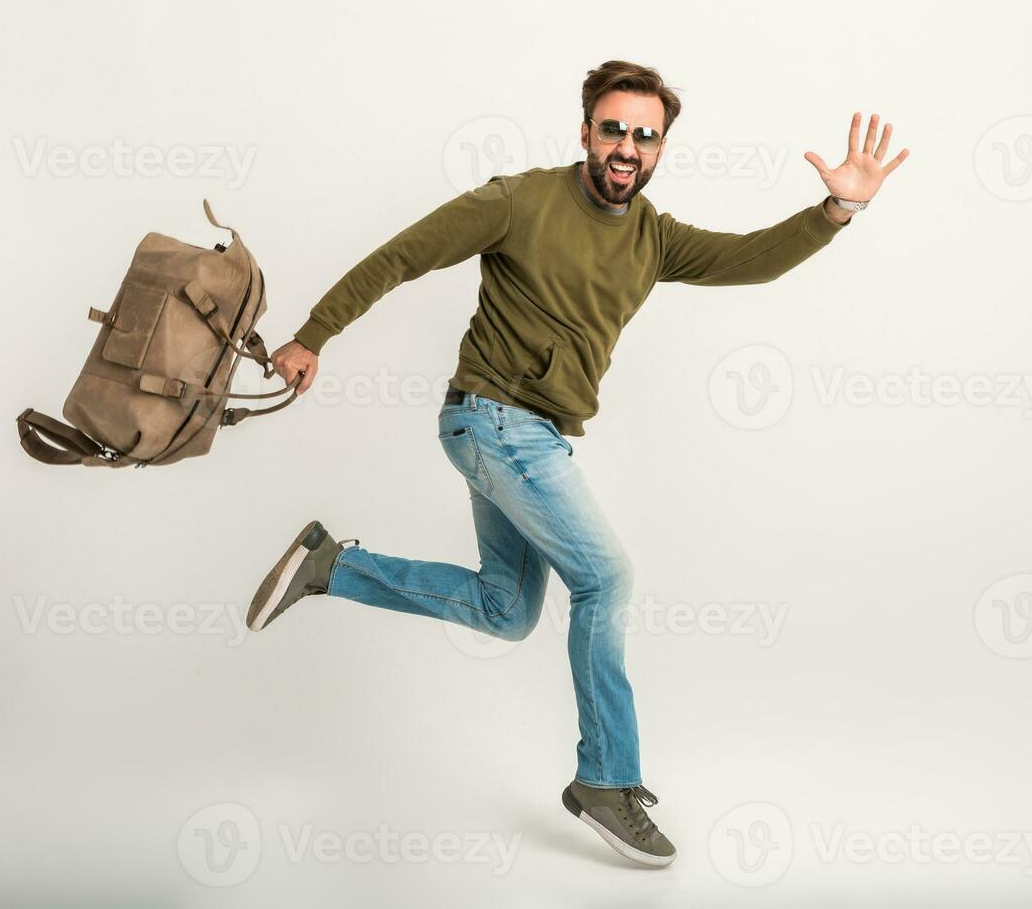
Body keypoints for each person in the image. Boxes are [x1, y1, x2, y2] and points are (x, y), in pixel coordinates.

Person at [245, 60, 908, 867]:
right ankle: (605, 779)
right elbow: (403, 255)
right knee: (609, 577)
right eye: (613, 129)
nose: (627, 146)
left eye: (645, 135)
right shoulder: (519, 200)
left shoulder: (653, 236)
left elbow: (751, 259)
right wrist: (315, 333)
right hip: (494, 421)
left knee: (506, 609)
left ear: (660, 148)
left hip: (532, 433)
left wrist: (838, 208)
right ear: (585, 133)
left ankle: (332, 568)